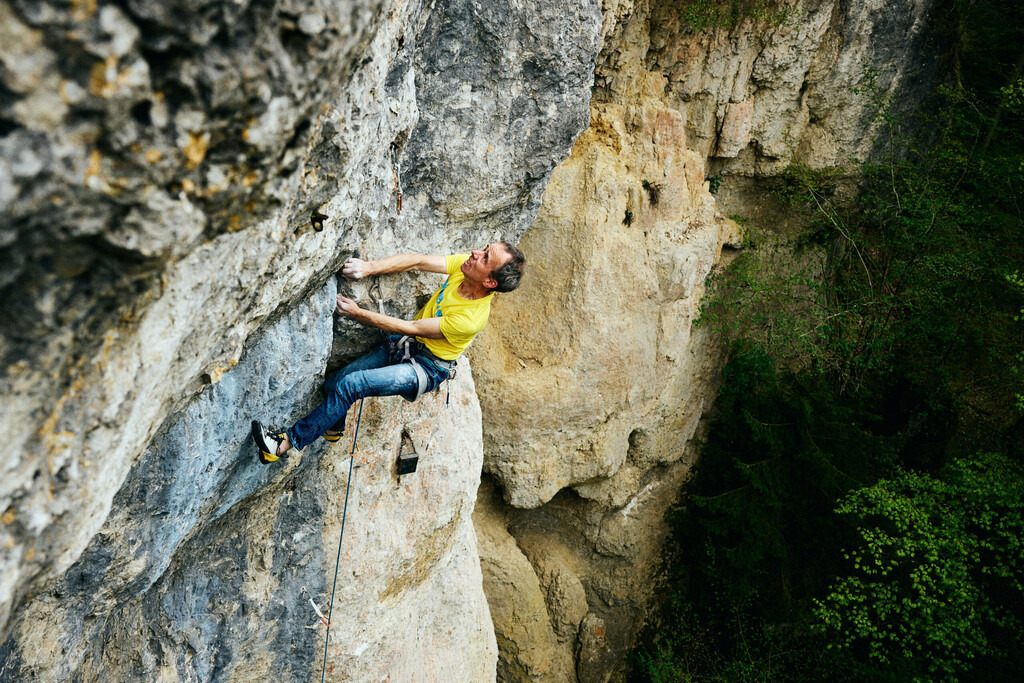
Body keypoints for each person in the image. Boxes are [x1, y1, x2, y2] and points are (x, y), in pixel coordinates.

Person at [251, 242, 525, 463]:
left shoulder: (471, 319)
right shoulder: (467, 268)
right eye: (484, 249)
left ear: (490, 282)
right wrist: (368, 268)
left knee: (351, 385)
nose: (475, 253)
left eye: (485, 257)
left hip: (426, 367)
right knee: (334, 384)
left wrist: (358, 313)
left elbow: (411, 327)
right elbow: (418, 261)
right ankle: (333, 427)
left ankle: (283, 444)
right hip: (406, 346)